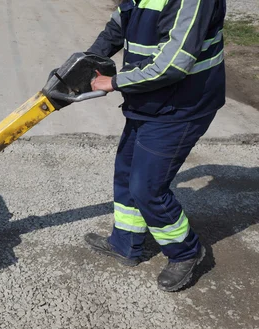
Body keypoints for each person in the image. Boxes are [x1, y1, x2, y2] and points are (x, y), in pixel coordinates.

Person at [84, 0, 227, 291]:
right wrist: (88, 61)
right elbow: (119, 23)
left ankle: (186, 251)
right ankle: (125, 243)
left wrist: (114, 82)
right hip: (148, 98)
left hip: (182, 105)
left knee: (147, 187)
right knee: (126, 173)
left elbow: (174, 63)